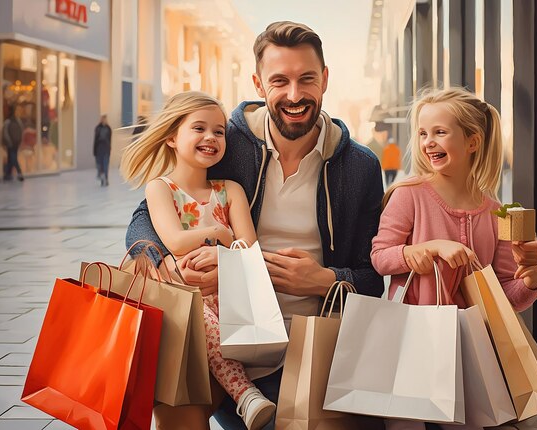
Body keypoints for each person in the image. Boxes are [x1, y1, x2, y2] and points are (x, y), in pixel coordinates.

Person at [125, 21, 385, 430]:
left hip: (315, 345)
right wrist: (162, 260)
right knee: (174, 403)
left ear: (325, 80)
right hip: (223, 340)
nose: (295, 95)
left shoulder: (359, 166)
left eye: (307, 80)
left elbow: (374, 278)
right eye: (279, 81)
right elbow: (147, 215)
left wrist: (325, 280)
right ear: (259, 84)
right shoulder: (226, 144)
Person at [370, 87, 537, 430]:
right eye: (423, 133)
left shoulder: (496, 212)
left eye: (440, 132)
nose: (428, 142)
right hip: (412, 340)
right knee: (406, 422)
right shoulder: (409, 196)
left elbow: (507, 296)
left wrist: (531, 279)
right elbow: (380, 257)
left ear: (472, 142)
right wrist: (425, 249)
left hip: (470, 345)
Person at [120, 91, 276, 430]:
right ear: (172, 137)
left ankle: (242, 393)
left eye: (219, 131)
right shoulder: (160, 189)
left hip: (228, 302)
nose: (211, 137)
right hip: (183, 313)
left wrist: (223, 245)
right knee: (193, 309)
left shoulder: (230, 189)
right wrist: (220, 232)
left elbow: (249, 251)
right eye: (199, 128)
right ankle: (244, 394)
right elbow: (175, 242)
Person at [2, 105, 24, 181]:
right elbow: (21, 131)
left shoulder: (7, 121)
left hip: (10, 143)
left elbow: (5, 133)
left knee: (13, 158)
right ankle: (8, 174)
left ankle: (19, 172)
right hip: (16, 143)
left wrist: (8, 142)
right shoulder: (18, 121)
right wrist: (19, 141)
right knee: (11, 158)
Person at [93, 114, 112, 186]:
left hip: (105, 149)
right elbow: (95, 140)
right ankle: (102, 179)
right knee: (100, 165)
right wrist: (94, 150)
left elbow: (110, 140)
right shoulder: (98, 128)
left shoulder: (108, 128)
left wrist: (110, 149)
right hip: (99, 149)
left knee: (105, 165)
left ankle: (105, 179)